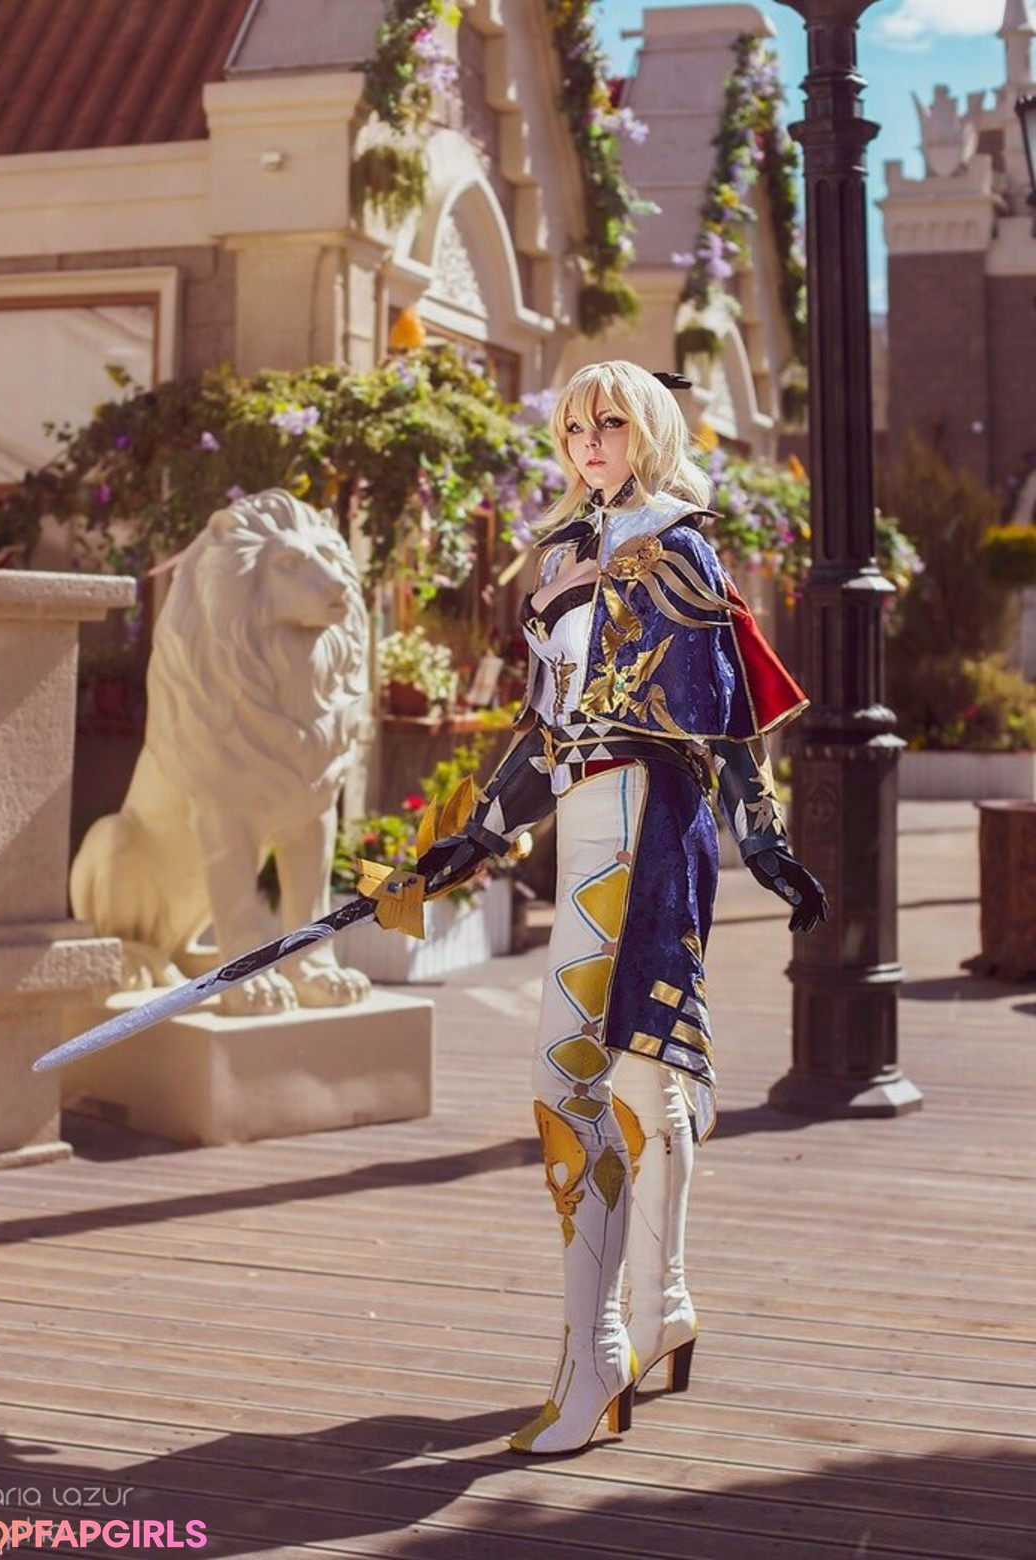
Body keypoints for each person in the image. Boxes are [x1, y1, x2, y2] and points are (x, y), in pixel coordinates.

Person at [415, 360, 827, 1456]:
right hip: (584, 821)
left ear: (647, 429)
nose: (589, 442)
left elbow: (722, 724)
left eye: (609, 421)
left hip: (649, 822)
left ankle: (599, 1353)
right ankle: (664, 1307)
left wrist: (764, 838)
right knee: (640, 1070)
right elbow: (546, 725)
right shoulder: (562, 552)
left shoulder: (678, 545)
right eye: (573, 426)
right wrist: (478, 829)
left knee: (577, 1076)